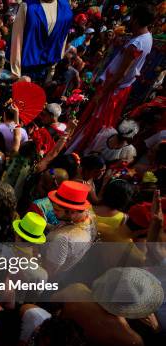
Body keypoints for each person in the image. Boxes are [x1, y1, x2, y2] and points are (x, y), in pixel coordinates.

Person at [69, 4, 155, 153]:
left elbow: (121, 73)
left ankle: (77, 149)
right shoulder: (147, 37)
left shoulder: (136, 44)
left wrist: (102, 93)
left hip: (112, 90)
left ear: (135, 20)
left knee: (95, 121)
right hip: (117, 88)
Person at [40, 181, 96, 278]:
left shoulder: (63, 239)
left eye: (57, 210)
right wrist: (45, 225)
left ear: (73, 212)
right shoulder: (88, 215)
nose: (53, 212)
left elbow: (47, 272)